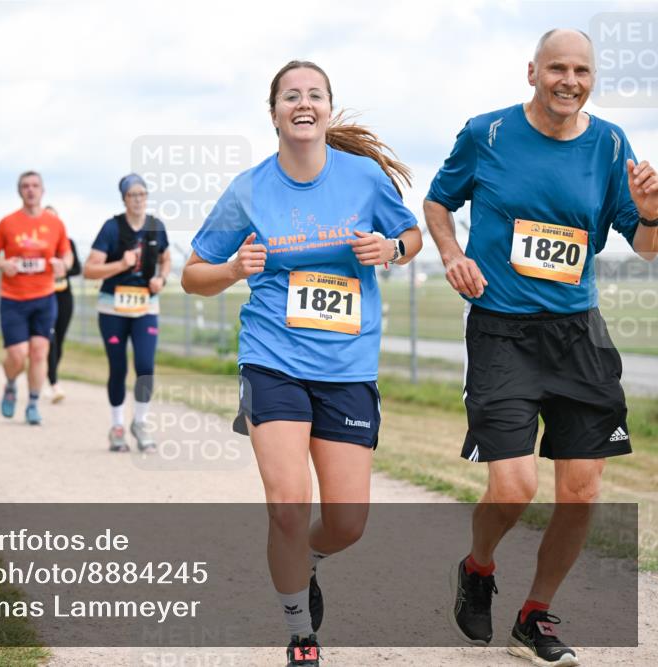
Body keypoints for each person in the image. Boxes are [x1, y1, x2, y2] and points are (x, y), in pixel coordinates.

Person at [425, 29, 656, 667]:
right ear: (532, 71)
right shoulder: (488, 134)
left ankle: (534, 614)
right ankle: (479, 567)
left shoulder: (611, 144)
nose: (570, 80)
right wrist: (451, 254)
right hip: (502, 329)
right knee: (515, 484)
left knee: (581, 490)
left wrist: (652, 213)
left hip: (578, 334)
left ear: (592, 78)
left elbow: (645, 244)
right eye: (558, 67)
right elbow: (439, 202)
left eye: (582, 70)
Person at [182, 61, 421, 667]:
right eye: (292, 95)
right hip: (273, 360)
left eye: (315, 94)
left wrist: (391, 248)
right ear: (275, 113)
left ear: (329, 110)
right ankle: (300, 634)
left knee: (346, 522)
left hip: (347, 367)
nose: (304, 103)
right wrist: (234, 269)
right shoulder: (250, 189)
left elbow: (411, 237)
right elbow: (192, 276)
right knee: (287, 504)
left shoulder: (364, 179)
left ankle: (308, 560)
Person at [83, 176, 171, 452]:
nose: (138, 199)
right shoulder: (112, 228)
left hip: (145, 305)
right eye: (132, 194)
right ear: (124, 198)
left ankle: (141, 422)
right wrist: (121, 264)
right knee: (118, 367)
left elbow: (165, 258)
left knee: (145, 366)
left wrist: (162, 278)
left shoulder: (156, 227)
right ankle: (117, 426)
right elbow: (89, 270)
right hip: (113, 307)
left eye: (142, 193)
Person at [0, 172, 74, 425]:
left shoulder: (55, 224)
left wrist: (63, 265)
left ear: (43, 191)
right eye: (25, 186)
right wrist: (4, 263)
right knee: (17, 355)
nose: (30, 190)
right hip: (13, 298)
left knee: (39, 352)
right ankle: (11, 384)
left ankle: (33, 403)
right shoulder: (7, 223)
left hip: (44, 297)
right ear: (19, 191)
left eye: (35, 186)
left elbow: (66, 255)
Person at [44, 205, 81, 403]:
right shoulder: (39, 244)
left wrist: (63, 269)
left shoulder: (68, 244)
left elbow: (77, 269)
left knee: (60, 340)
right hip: (44, 296)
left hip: (64, 296)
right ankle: (54, 383)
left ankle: (49, 374)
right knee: (50, 339)